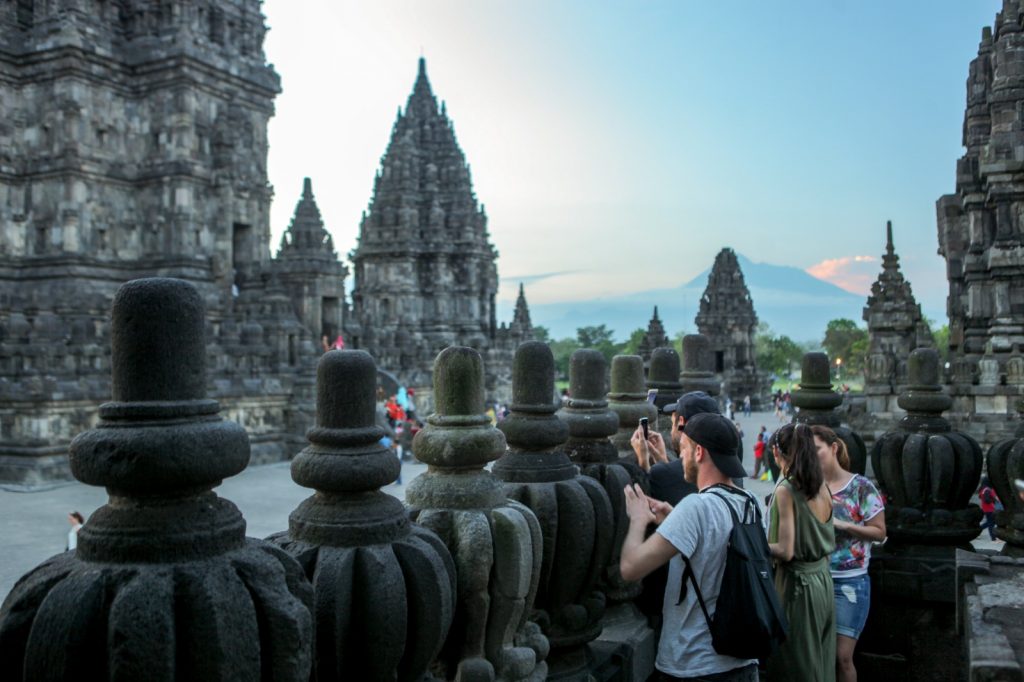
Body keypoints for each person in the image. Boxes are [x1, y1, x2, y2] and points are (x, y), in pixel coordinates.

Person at [621, 412, 760, 681]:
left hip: (696, 664)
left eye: (682, 449)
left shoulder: (695, 508)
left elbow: (630, 568)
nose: (679, 458)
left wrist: (638, 520)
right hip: (744, 662)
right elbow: (715, 543)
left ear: (699, 452)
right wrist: (674, 517)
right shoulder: (749, 501)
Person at [813, 425, 885, 682]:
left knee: (842, 658)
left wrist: (843, 525)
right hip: (815, 578)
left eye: (817, 450)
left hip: (850, 581)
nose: (812, 457)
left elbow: (879, 532)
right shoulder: (809, 488)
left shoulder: (861, 487)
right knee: (816, 655)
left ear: (833, 448)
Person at [767, 422, 836, 682]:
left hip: (797, 585)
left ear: (776, 452)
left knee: (796, 666)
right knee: (821, 661)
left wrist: (750, 542)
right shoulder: (822, 486)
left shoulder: (786, 489)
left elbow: (785, 550)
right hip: (822, 579)